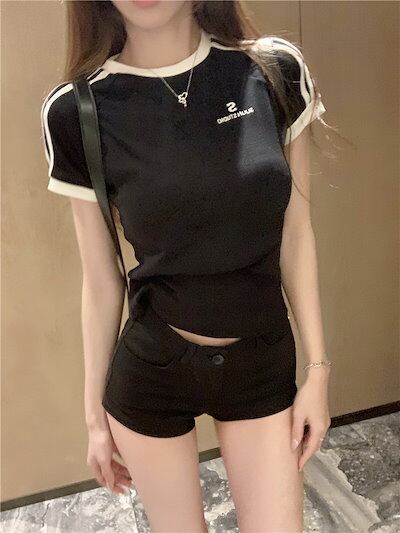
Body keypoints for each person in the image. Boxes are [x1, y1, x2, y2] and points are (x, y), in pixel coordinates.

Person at [40, 1, 333, 531]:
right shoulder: (76, 111)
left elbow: (296, 233)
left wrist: (318, 370)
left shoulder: (273, 72)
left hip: (260, 361)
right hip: (154, 367)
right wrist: (94, 421)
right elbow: (102, 279)